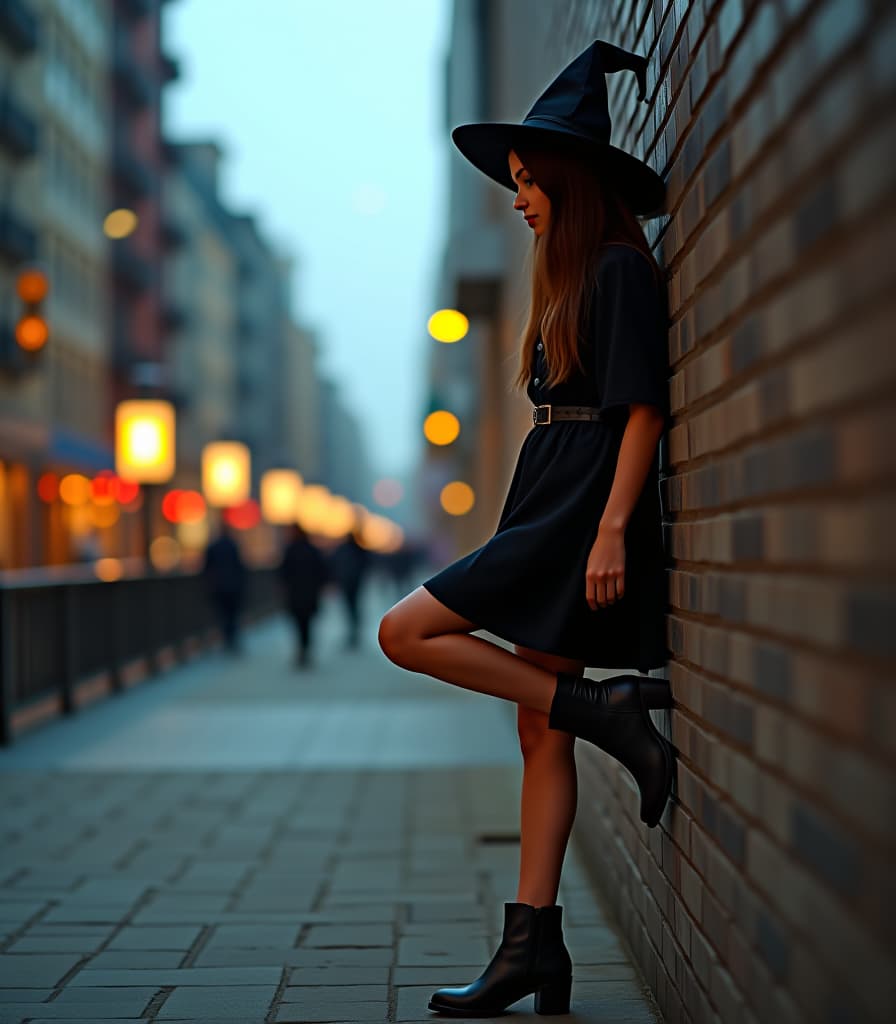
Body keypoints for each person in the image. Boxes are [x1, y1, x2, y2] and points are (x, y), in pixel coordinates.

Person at [378, 40, 676, 1018]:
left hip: (579, 501)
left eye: (525, 182)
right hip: (545, 488)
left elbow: (641, 412)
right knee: (531, 722)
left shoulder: (619, 271)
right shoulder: (565, 279)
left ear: (563, 179)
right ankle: (530, 947)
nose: (517, 199)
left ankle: (597, 709)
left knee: (403, 630)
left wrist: (610, 531)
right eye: (510, 184)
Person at [277, 523, 328, 669]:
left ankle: (302, 649)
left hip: (295, 594)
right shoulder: (312, 550)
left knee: (299, 623)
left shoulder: (290, 551)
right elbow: (322, 571)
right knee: (308, 623)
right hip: (310, 593)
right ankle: (306, 649)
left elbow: (283, 573)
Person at [201, 518, 247, 655]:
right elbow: (240, 567)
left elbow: (206, 567)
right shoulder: (234, 546)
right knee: (232, 614)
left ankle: (228, 639)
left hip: (218, 586)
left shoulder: (213, 547)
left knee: (223, 614)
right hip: (233, 586)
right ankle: (232, 639)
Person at [328, 524, 370, 651]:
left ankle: (352, 632)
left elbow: (333, 563)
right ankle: (354, 631)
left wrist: (334, 579)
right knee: (354, 606)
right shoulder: (359, 549)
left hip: (346, 582)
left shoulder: (342, 549)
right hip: (355, 582)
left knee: (349, 606)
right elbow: (367, 563)